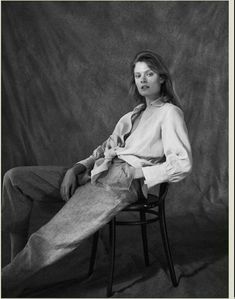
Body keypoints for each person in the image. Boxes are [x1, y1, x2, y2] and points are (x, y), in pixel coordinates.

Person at [1, 50, 192, 297]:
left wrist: (138, 172)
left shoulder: (169, 113)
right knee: (14, 179)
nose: (143, 80)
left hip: (121, 182)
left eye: (149, 73)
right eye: (138, 75)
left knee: (49, 236)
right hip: (97, 172)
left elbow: (182, 163)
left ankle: (6, 281)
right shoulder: (132, 115)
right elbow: (104, 149)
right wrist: (77, 168)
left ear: (162, 78)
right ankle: (17, 268)